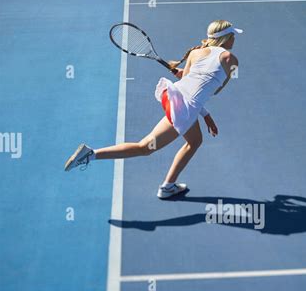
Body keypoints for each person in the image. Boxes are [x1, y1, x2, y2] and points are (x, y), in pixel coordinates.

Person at [64, 19, 241, 198]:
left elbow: (188, 83)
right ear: (225, 37)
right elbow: (213, 90)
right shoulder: (230, 59)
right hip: (183, 109)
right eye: (232, 34)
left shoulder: (196, 53)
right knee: (145, 147)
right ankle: (90, 154)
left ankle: (168, 186)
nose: (234, 38)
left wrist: (205, 115)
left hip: (172, 97)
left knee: (194, 141)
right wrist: (204, 111)